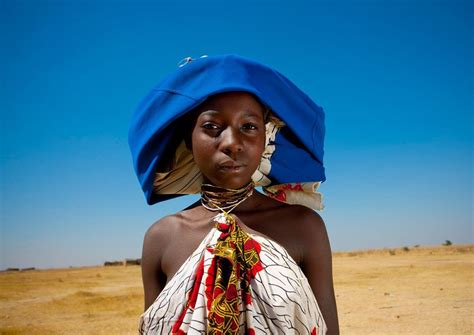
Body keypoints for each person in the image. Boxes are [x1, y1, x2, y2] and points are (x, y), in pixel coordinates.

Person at [128, 55, 339, 334]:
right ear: (188, 142)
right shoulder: (161, 238)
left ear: (266, 139)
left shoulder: (304, 227)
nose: (232, 143)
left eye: (249, 127)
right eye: (212, 127)